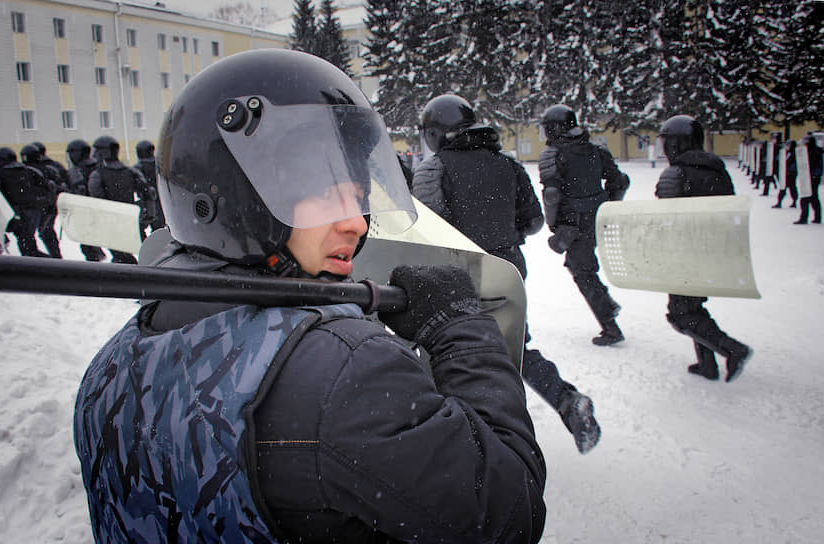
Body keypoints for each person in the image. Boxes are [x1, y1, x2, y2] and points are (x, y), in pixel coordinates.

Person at [73, 49, 546, 543]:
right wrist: (459, 329)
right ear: (240, 201)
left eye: (358, 194)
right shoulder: (348, 372)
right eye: (324, 191)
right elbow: (510, 512)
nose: (356, 221)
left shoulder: (110, 365)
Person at [412, 93, 600, 453]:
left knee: (451, 358)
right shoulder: (507, 164)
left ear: (436, 133)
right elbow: (533, 222)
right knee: (515, 349)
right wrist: (499, 233)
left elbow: (428, 233)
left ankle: (467, 443)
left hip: (459, 278)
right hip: (509, 272)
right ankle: (566, 400)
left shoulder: (433, 170)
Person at [655, 114, 752, 382]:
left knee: (681, 315)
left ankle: (732, 349)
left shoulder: (676, 174)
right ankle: (706, 365)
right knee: (693, 310)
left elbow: (665, 220)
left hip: (685, 257)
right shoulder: (718, 170)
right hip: (713, 255)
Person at [538, 104, 630, 345]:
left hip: (573, 224)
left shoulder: (553, 155)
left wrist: (554, 224)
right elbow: (619, 182)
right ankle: (607, 308)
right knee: (584, 269)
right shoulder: (594, 150)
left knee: (583, 273)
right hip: (595, 222)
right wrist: (604, 207)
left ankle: (610, 326)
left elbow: (552, 196)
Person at [87, 135, 150, 263]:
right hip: (131, 220)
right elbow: (148, 193)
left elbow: (98, 201)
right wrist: (147, 214)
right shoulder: (130, 171)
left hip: (113, 223)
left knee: (123, 258)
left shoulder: (98, 175)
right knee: (146, 254)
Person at [0, 147, 54, 258]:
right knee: (28, 243)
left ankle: (52, 266)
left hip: (18, 213)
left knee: (27, 247)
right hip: (34, 211)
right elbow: (45, 188)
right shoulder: (28, 170)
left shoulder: (0, 174)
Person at [66, 139, 107, 261]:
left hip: (84, 210)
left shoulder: (76, 171)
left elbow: (78, 191)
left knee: (87, 245)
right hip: (100, 208)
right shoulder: (99, 166)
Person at [21, 144, 63, 258]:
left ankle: (50, 259)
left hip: (37, 206)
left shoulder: (26, 171)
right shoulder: (50, 167)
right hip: (50, 204)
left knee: (30, 236)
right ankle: (56, 256)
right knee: (46, 232)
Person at [131, 139, 165, 240]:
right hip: (160, 200)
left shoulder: (137, 167)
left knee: (141, 228)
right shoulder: (160, 164)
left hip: (145, 202)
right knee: (159, 228)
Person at [794, 133, 822, 225]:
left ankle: (804, 218)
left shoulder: (812, 152)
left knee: (805, 197)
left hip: (812, 176)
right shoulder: (816, 150)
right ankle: (817, 217)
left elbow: (810, 164)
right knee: (813, 197)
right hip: (813, 176)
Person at [773, 139, 798, 209]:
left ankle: (782, 202)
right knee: (789, 187)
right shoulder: (788, 152)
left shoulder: (794, 153)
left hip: (791, 172)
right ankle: (791, 201)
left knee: (788, 187)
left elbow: (788, 162)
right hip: (788, 172)